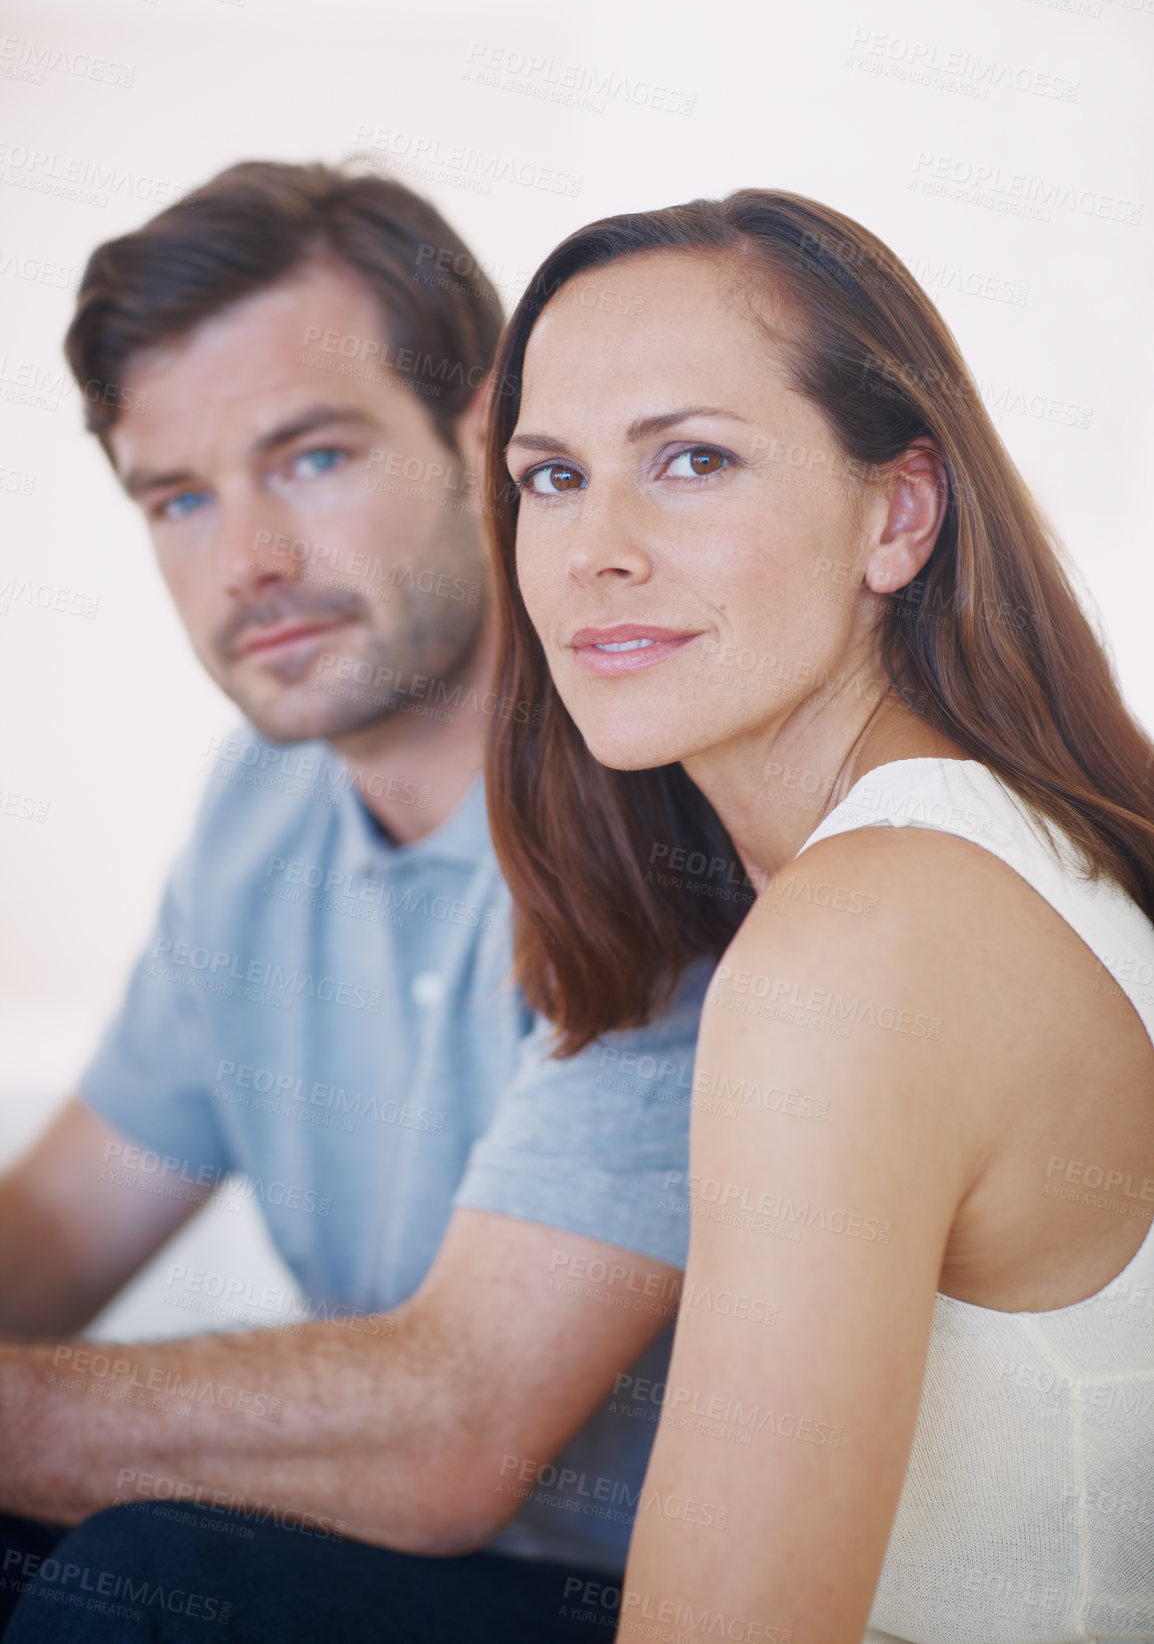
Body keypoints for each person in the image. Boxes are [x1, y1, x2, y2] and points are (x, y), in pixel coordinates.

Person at [0, 163, 714, 1641]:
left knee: (154, 1593)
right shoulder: (263, 804)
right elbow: (65, 1225)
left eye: (312, 457)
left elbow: (455, 1432)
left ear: (486, 439)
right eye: (179, 497)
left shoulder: (664, 811)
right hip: (398, 1560)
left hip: (639, 1601)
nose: (249, 562)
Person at [481, 190, 1154, 1641]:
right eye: (549, 478)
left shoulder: (864, 939)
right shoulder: (974, 855)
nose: (593, 547)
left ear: (895, 514)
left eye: (693, 460)